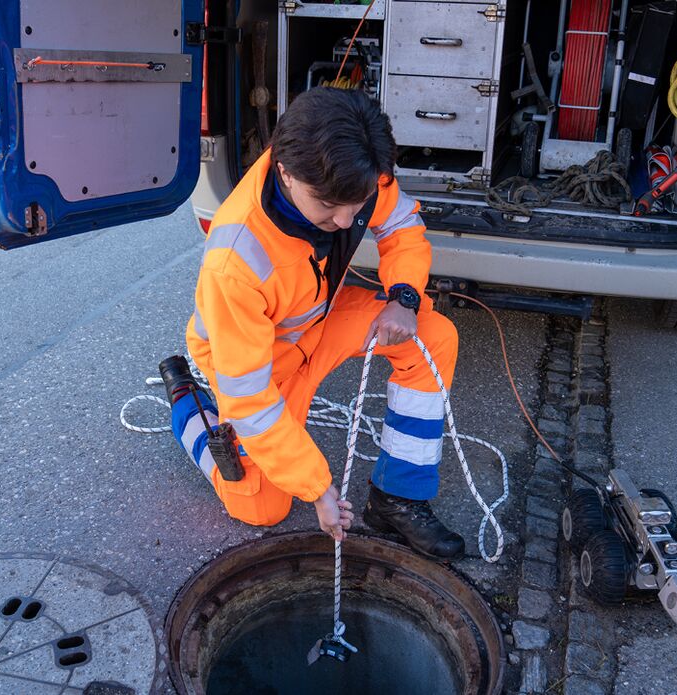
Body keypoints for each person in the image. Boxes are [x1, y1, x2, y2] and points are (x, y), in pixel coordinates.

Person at [161, 87, 464, 560]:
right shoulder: (234, 262)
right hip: (258, 366)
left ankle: (399, 496)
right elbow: (251, 400)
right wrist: (318, 486)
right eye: (328, 208)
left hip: (318, 323)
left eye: (356, 205)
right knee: (262, 509)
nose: (346, 222)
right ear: (284, 172)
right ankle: (188, 403)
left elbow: (402, 227)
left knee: (433, 337)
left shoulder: (354, 170)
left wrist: (404, 296)